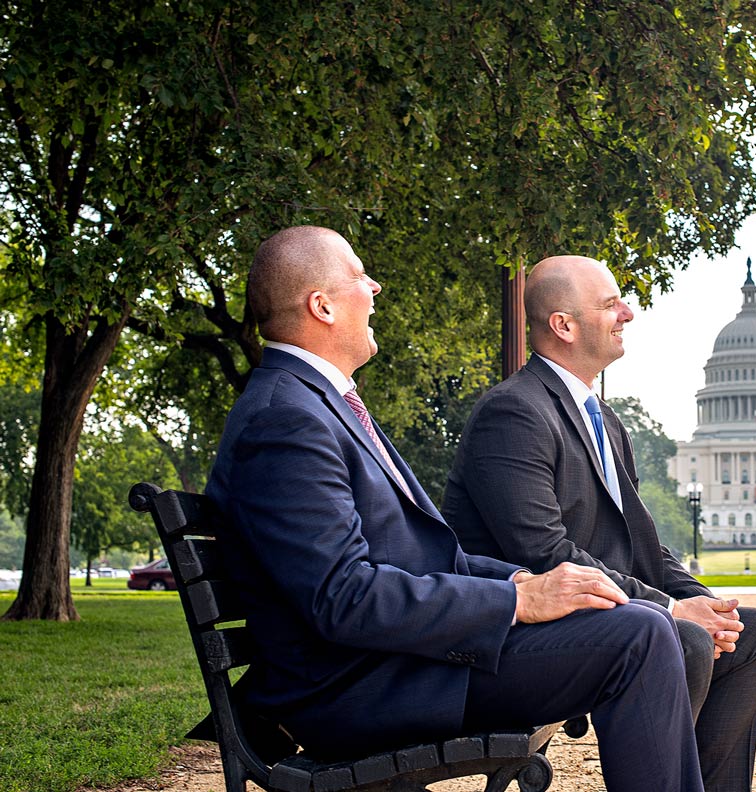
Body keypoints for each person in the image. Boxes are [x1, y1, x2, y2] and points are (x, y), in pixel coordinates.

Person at [204, 226, 703, 792]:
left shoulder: (318, 403)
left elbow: (425, 555)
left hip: (398, 661)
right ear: (321, 306)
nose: (376, 289)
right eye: (360, 277)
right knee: (640, 635)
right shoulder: (287, 418)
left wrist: (520, 578)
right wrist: (517, 598)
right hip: (360, 686)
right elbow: (343, 597)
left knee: (644, 626)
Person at [443, 255, 756, 792]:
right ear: (564, 325)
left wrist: (707, 603)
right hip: (520, 632)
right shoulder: (513, 413)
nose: (627, 312)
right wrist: (673, 610)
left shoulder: (602, 418)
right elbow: (544, 552)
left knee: (754, 635)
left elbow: (642, 544)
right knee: (683, 638)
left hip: (597, 614)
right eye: (609, 304)